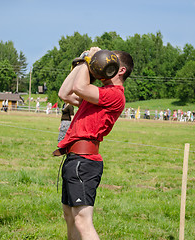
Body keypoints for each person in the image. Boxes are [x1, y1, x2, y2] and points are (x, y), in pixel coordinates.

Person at [53, 47, 133, 240]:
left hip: (84, 161)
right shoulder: (98, 94)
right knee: (70, 217)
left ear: (120, 70)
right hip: (74, 159)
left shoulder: (115, 94)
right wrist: (82, 62)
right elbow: (64, 93)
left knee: (82, 221)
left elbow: (80, 88)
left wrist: (89, 59)